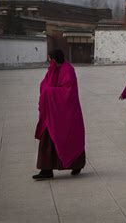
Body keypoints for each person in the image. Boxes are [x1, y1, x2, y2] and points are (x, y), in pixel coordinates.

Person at [33, 49, 86, 180]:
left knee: (70, 138)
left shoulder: (68, 70)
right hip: (52, 112)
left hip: (67, 113)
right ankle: (46, 170)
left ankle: (76, 164)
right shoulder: (53, 70)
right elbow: (45, 83)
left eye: (50, 59)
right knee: (47, 137)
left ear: (55, 59)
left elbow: (69, 92)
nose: (49, 63)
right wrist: (46, 90)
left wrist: (48, 92)